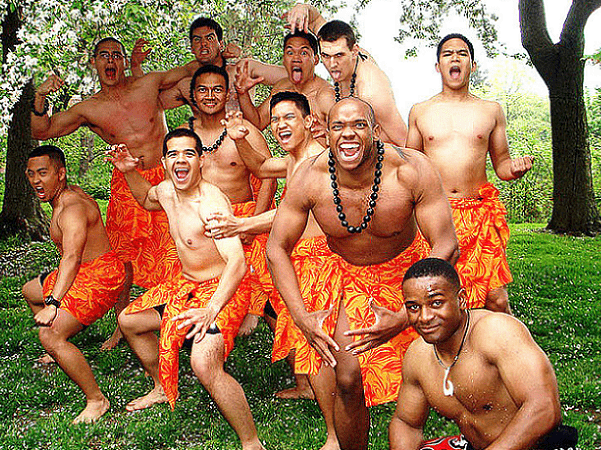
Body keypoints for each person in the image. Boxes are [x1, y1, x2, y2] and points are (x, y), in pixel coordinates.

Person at [266, 97, 459, 450]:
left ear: (376, 130)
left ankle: (471, 436)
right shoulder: (311, 177)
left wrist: (408, 314)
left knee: (451, 371)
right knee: (348, 377)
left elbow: (446, 245)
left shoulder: (410, 169)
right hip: (352, 278)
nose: (348, 134)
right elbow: (276, 248)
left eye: (358, 125)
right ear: (326, 132)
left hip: (413, 276)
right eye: (338, 126)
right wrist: (301, 317)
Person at [30, 37, 200, 349]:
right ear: (94, 62)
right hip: (125, 183)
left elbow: (192, 70)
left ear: (123, 61)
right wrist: (40, 96)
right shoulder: (89, 108)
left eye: (116, 55)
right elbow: (42, 131)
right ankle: (123, 325)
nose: (110, 61)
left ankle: (179, 321)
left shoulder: (148, 84)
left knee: (174, 248)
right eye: (103, 56)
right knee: (123, 256)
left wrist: (214, 54)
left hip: (163, 180)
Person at [107, 129, 264, 450]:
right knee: (129, 320)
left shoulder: (211, 203)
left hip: (225, 290)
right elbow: (146, 198)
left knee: (204, 364)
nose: (181, 159)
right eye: (174, 154)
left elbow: (237, 263)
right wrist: (128, 171)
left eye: (189, 153)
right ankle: (161, 386)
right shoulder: (166, 191)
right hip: (186, 285)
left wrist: (211, 310)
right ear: (165, 161)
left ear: (201, 161)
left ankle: (252, 443)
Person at [214, 91, 339, 449]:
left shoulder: (319, 160)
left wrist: (242, 224)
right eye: (276, 119)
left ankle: (335, 437)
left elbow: (293, 211)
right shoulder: (292, 160)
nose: (281, 125)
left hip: (320, 263)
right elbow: (258, 166)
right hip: (294, 260)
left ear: (308, 121)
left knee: (316, 345)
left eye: (289, 117)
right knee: (310, 343)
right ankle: (318, 402)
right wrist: (239, 138)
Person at [390, 257, 577, 450]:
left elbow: (544, 408)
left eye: (436, 303)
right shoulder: (418, 355)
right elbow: (406, 423)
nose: (425, 317)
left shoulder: (495, 331)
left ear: (461, 299)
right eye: (414, 307)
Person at [406, 33, 534, 313]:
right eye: (447, 53)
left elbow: (502, 165)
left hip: (478, 215)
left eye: (462, 53)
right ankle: (451, 355)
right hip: (435, 215)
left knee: (495, 299)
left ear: (472, 65)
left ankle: (508, 354)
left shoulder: (490, 111)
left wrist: (514, 168)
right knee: (437, 295)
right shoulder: (420, 112)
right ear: (438, 65)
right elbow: (411, 169)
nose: (455, 58)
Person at [21, 145, 126, 423]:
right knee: (30, 291)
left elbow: (71, 257)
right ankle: (58, 353)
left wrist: (54, 304)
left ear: (61, 174)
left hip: (100, 277)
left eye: (43, 173)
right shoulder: (66, 194)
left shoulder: (72, 208)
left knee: (50, 334)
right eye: (31, 174)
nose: (35, 181)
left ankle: (96, 400)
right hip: (83, 270)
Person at [180, 64, 276, 335]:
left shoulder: (243, 130)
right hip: (201, 219)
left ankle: (258, 311)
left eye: (217, 89)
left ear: (227, 95)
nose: (210, 95)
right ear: (193, 95)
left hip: (241, 215)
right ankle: (209, 311)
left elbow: (269, 176)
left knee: (264, 263)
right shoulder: (183, 135)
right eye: (203, 90)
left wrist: (251, 223)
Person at [285, 5, 408, 146]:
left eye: (339, 55)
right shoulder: (333, 40)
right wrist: (302, 8)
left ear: (354, 51)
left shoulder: (371, 92)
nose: (332, 64)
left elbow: (406, 145)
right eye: (326, 56)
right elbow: (315, 20)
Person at [154, 16, 288, 112]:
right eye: (197, 40)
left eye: (210, 38)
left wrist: (264, 114)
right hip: (208, 147)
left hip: (243, 145)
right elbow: (153, 104)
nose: (203, 43)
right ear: (192, 48)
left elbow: (294, 77)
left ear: (221, 44)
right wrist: (136, 68)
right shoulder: (187, 84)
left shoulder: (243, 69)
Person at [235, 30, 335, 143]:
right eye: (290, 53)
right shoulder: (282, 87)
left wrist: (331, 134)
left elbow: (350, 133)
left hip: (325, 158)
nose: (296, 58)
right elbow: (257, 123)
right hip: (295, 158)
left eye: (303, 53)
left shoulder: (325, 95)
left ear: (315, 59)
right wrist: (242, 93)